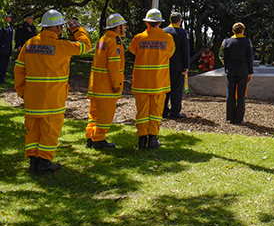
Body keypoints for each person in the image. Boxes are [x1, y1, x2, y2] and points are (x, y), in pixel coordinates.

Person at [14, 10, 91, 173]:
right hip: (53, 99)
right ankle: (44, 162)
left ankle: (33, 161)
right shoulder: (61, 46)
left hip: (32, 97)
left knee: (33, 129)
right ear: (57, 27)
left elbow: (19, 70)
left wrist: (22, 91)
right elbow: (86, 45)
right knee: (50, 130)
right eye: (61, 26)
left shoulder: (29, 44)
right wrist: (78, 30)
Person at [129, 9, 175, 149]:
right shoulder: (168, 38)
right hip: (158, 84)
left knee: (141, 112)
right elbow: (170, 53)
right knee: (156, 112)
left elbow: (132, 50)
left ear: (147, 23)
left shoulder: (138, 38)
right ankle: (153, 139)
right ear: (160, 23)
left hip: (141, 83)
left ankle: (142, 140)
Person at [85, 13, 127, 149]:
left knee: (94, 113)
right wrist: (116, 85)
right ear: (117, 27)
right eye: (123, 25)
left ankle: (90, 136)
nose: (125, 27)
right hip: (107, 86)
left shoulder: (103, 39)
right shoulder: (115, 41)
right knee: (105, 114)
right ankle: (99, 139)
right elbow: (114, 65)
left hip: (96, 84)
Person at [221, 22, 254, 124]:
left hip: (231, 70)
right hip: (243, 70)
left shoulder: (228, 42)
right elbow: (250, 58)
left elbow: (225, 58)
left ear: (233, 30)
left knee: (230, 93)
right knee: (241, 94)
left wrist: (226, 69)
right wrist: (250, 72)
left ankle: (230, 116)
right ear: (243, 30)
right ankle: (239, 117)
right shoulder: (247, 42)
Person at [163, 12, 190, 119]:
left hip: (164, 65)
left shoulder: (163, 31)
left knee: (165, 89)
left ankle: (163, 110)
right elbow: (185, 51)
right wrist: (186, 66)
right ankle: (175, 111)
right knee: (177, 90)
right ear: (180, 21)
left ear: (170, 20)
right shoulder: (183, 33)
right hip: (178, 66)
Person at [0, 13, 13, 83]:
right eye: (9, 17)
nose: (10, 18)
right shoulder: (2, 26)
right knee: (1, 64)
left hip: (7, 49)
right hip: (2, 49)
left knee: (5, 64)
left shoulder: (9, 26)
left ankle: (2, 78)